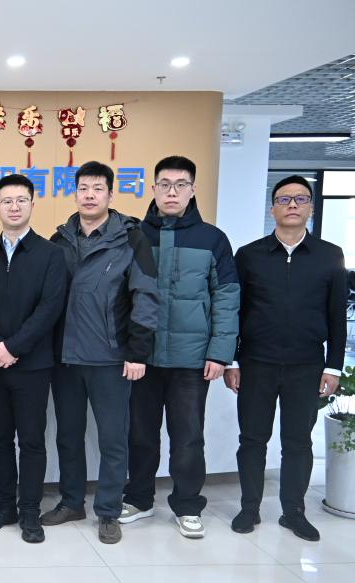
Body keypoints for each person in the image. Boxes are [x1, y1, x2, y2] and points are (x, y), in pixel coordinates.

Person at [121, 156, 239, 539]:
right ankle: (139, 499)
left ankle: (187, 505)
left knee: (188, 437)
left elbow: (226, 297)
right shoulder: (135, 235)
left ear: (192, 190)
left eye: (180, 184)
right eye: (164, 184)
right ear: (153, 188)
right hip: (143, 357)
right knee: (140, 433)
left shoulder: (212, 239)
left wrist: (220, 352)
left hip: (192, 359)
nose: (172, 192)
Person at [225, 174, 346, 542]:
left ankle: (293, 512)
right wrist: (232, 361)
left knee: (298, 442)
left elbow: (337, 316)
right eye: (284, 199)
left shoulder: (329, 255)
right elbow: (234, 311)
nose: (292, 205)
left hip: (306, 365)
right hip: (256, 363)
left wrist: (334, 366)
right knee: (252, 439)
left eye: (300, 198)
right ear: (272, 208)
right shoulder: (249, 255)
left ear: (311, 207)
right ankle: (249, 508)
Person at [46, 160, 159, 545]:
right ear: (75, 193)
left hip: (112, 358)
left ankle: (108, 511)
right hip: (66, 358)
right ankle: (71, 501)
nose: (90, 195)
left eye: (97, 189)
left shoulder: (131, 239)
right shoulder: (59, 241)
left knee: (113, 439)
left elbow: (146, 296)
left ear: (110, 194)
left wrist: (138, 352)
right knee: (68, 436)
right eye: (83, 189)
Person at [0, 174, 65, 544]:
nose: (14, 207)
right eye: (7, 201)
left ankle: (29, 511)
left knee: (31, 441)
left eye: (21, 200)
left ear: (32, 204)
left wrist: (15, 347)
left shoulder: (51, 254)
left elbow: (50, 307)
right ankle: (3, 506)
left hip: (33, 366)